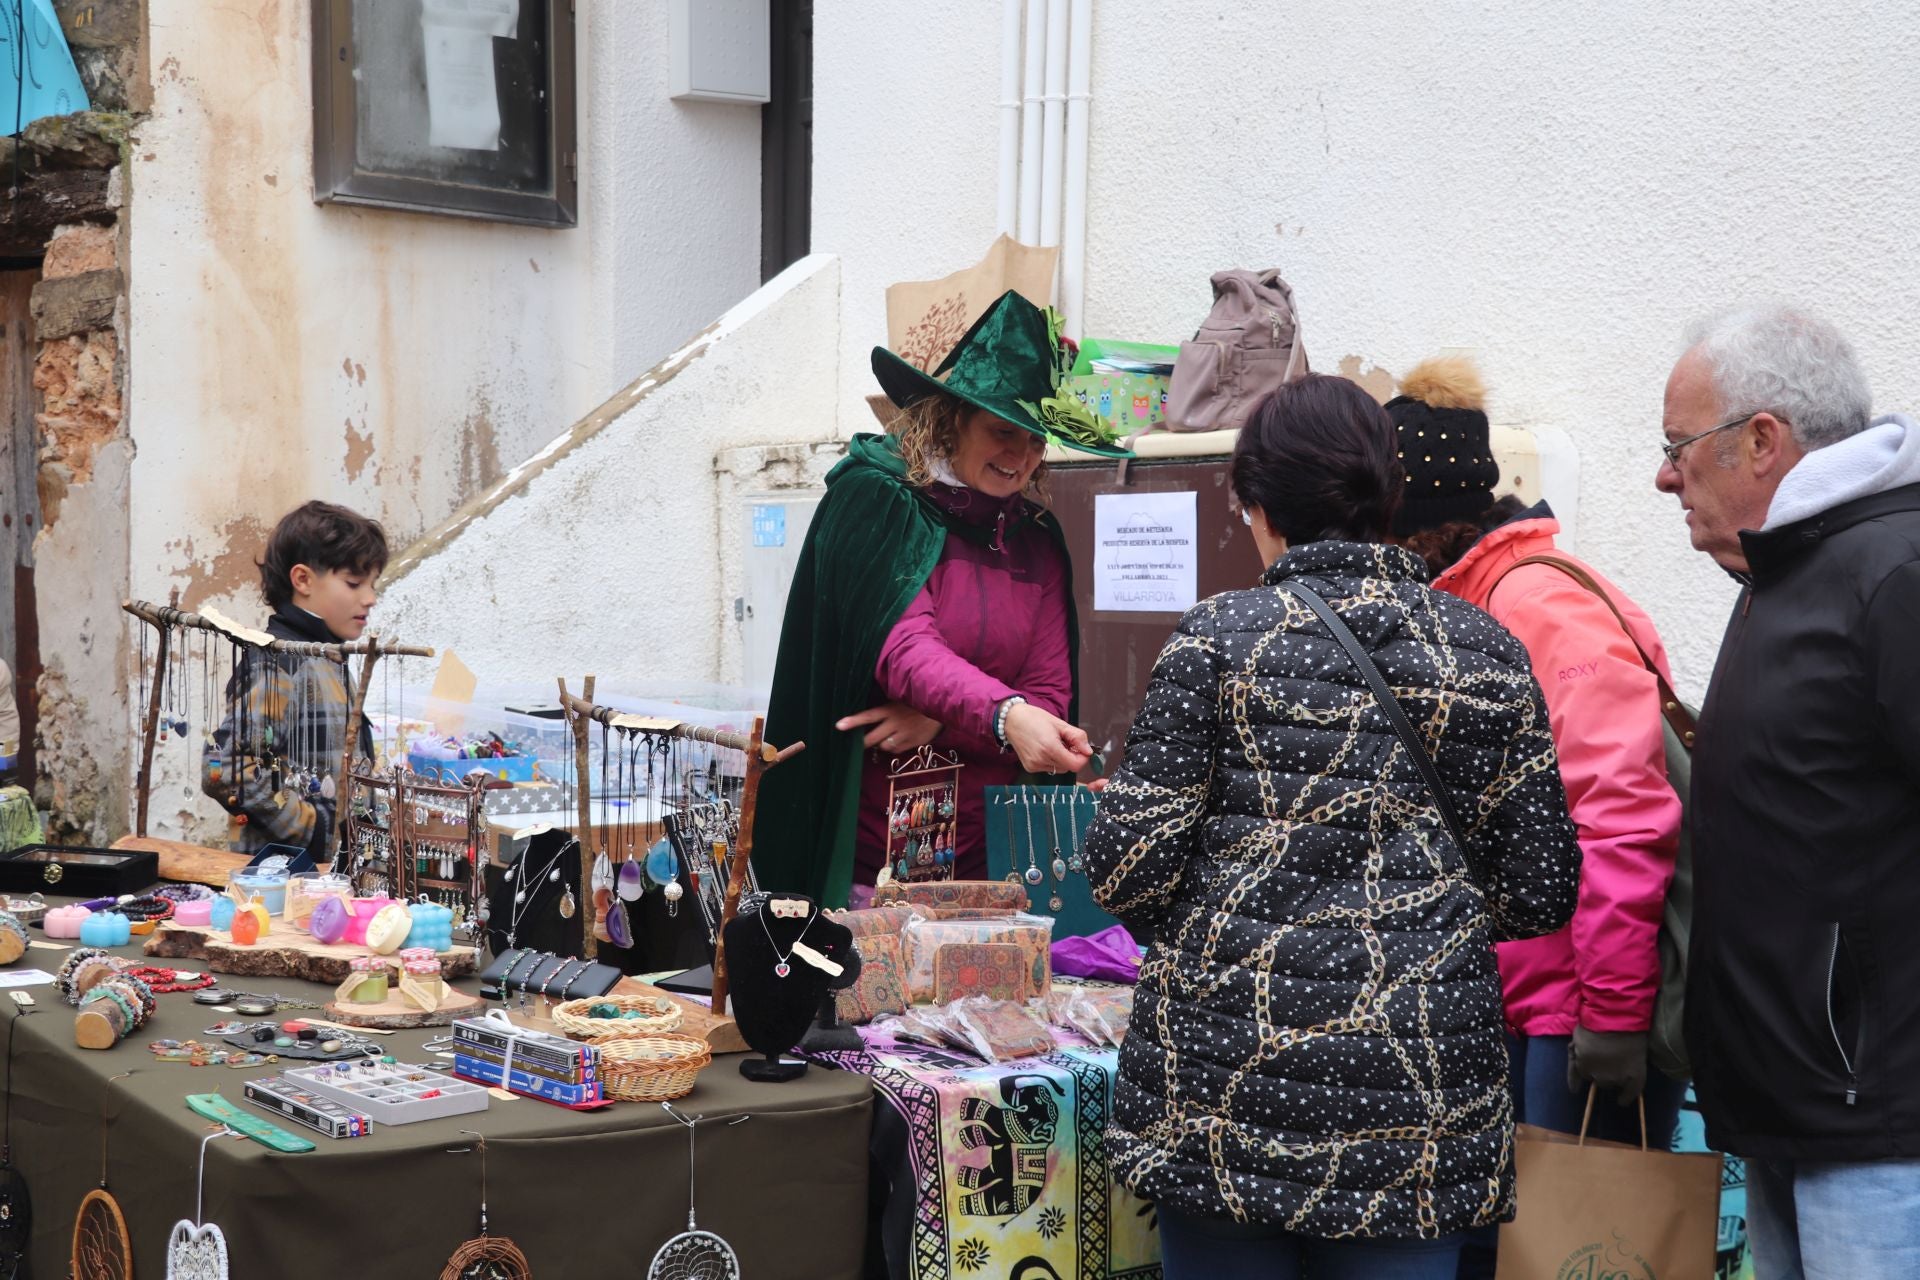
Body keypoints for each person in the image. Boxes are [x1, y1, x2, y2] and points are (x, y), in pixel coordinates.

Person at [1084, 373, 1582, 1280]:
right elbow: (1542, 888)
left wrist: (1226, 938)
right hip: (1417, 1101)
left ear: (1257, 501)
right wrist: (1422, 930)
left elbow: (1128, 867)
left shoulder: (1215, 640)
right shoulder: (1484, 650)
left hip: (1225, 1092)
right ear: (1387, 495)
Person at [1656, 304, 1920, 1279]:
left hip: (1878, 1132)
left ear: (1762, 440)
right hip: (1794, 1112)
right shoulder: (1792, 570)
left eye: (1679, 445)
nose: (1663, 473)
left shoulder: (1890, 570)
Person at [1389, 357, 1685, 1151]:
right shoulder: (1481, 598)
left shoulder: (1538, 606)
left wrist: (1615, 1014)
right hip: (1521, 1005)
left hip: (1575, 1022)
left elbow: (1622, 811)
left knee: (1576, 1258)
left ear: (1422, 525)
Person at [753, 290, 1123, 908]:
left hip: (989, 867)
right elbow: (904, 648)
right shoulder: (877, 503)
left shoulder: (1034, 540)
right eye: (1003, 431)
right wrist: (1005, 717)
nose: (1021, 456)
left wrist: (942, 716)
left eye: (1036, 441)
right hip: (868, 862)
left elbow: (1050, 696)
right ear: (951, 418)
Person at [202, 500, 387, 866]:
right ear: (302, 580)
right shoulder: (278, 663)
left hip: (328, 879)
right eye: (354, 583)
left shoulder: (327, 657)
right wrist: (314, 830)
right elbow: (227, 768)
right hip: (282, 881)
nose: (370, 598)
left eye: (372, 584)